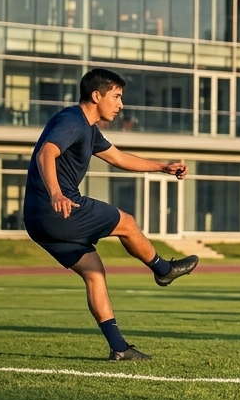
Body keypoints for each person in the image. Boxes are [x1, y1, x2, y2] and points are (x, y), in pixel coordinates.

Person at [23, 68, 199, 361]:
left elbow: (118, 158)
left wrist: (162, 166)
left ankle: (119, 347)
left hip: (38, 221)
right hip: (59, 209)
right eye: (116, 97)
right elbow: (46, 153)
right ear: (96, 96)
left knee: (95, 275)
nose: (121, 104)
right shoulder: (73, 121)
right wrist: (56, 193)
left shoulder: (89, 128)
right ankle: (163, 270)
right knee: (127, 223)